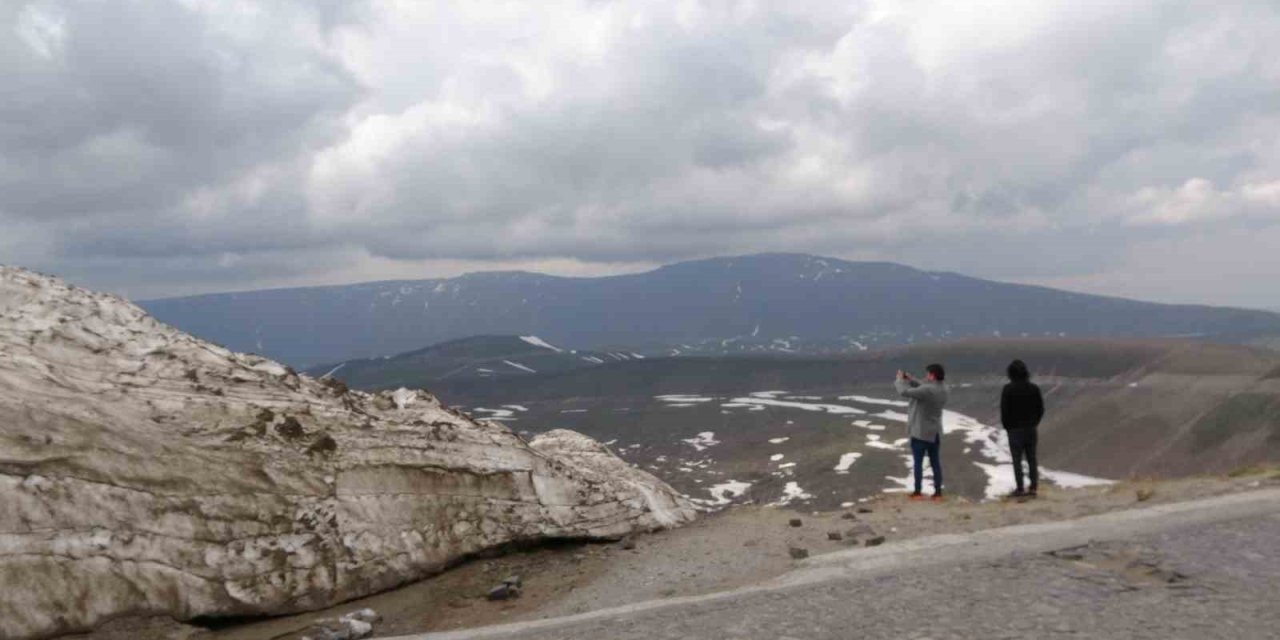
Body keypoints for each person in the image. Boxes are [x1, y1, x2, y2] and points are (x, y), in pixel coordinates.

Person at [894, 363, 949, 501]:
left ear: (933, 375)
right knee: (935, 462)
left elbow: (904, 392)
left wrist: (900, 380)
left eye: (928, 374)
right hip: (934, 432)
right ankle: (938, 493)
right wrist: (910, 378)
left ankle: (918, 492)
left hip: (920, 432)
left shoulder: (927, 390)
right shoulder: (944, 388)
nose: (926, 376)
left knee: (918, 462)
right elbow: (922, 386)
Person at [1001, 359, 1044, 498]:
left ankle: (1020, 488)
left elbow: (1004, 411)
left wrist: (1008, 427)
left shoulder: (1008, 389)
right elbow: (1040, 409)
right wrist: (1035, 422)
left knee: (1017, 459)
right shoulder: (1034, 388)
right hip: (1031, 428)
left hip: (1014, 430)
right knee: (1032, 458)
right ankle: (1033, 487)